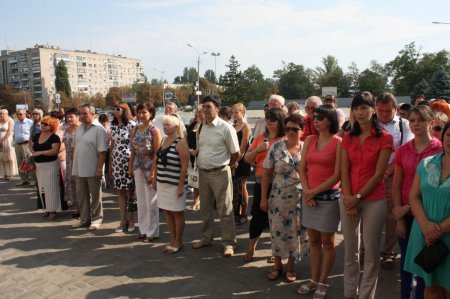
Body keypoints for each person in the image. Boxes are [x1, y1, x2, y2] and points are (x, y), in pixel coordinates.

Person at [340, 92, 393, 299]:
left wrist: (358, 197)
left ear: (373, 110)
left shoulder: (385, 138)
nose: (360, 112)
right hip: (348, 198)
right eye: (356, 108)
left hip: (373, 200)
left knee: (371, 251)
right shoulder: (348, 136)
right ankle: (348, 292)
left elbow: (379, 174)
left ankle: (366, 294)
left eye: (364, 108)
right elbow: (344, 171)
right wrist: (349, 198)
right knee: (350, 250)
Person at [392, 105, 442, 299]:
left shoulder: (439, 150)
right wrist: (399, 218)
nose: (415, 124)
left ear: (431, 123)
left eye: (420, 120)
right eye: (412, 120)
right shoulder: (404, 150)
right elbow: (397, 185)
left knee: (425, 264)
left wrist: (406, 208)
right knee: (406, 263)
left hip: (428, 216)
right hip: (406, 216)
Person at [298, 105, 342, 298]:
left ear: (330, 121)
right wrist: (307, 191)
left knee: (328, 242)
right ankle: (313, 279)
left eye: (320, 118)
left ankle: (323, 281)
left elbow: (337, 174)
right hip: (309, 197)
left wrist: (313, 192)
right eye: (314, 117)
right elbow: (302, 167)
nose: (315, 120)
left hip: (328, 199)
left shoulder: (338, 142)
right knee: (313, 241)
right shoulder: (309, 139)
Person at [404, 121, 450, 298]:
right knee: (431, 287)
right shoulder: (426, 163)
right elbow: (414, 197)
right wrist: (425, 226)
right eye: (448, 135)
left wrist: (437, 231)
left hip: (441, 234)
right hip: (424, 235)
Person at [261, 113, 308, 283]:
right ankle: (277, 265)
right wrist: (263, 199)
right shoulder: (276, 148)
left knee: (295, 232)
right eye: (288, 128)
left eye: (295, 129)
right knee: (277, 232)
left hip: (299, 198)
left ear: (302, 130)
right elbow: (266, 174)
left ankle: (291, 267)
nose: (291, 131)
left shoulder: (307, 147)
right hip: (278, 197)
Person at [191, 96, 240, 257]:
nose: (205, 109)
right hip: (203, 173)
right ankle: (206, 238)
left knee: (225, 210)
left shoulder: (226, 128)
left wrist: (229, 165)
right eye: (203, 106)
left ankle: (228, 243)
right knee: (205, 209)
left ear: (217, 109)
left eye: (208, 107)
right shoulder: (201, 126)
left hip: (220, 173)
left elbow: (236, 153)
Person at [375, 92, 414, 270]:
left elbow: (405, 149)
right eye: (380, 111)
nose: (383, 115)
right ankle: (367, 251)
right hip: (371, 174)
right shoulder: (370, 123)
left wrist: (388, 170)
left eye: (387, 111)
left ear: (396, 109)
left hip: (394, 174)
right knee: (370, 214)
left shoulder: (403, 125)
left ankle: (388, 252)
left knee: (391, 216)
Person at [242, 108, 286, 263]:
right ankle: (251, 248)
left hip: (280, 184)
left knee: (277, 219)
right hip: (261, 181)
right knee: (257, 216)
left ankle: (275, 251)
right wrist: (258, 150)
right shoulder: (260, 137)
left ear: (280, 121)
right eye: (267, 119)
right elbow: (246, 158)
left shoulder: (285, 140)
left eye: (272, 120)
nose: (269, 122)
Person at [155, 114, 189, 254]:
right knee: (168, 212)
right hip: (163, 183)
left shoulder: (181, 142)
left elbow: (184, 166)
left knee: (177, 213)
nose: (165, 127)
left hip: (175, 184)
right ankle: (172, 240)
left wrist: (181, 186)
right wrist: (155, 178)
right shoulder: (163, 140)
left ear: (176, 127)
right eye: (164, 124)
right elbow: (157, 161)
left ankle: (178, 241)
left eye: (168, 125)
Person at [71, 104, 108, 231]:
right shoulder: (80, 128)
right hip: (80, 168)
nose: (81, 116)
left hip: (93, 168)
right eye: (80, 113)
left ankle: (97, 219)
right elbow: (75, 147)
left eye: (85, 114)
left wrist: (99, 169)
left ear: (93, 114)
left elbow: (102, 151)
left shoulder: (99, 129)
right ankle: (84, 219)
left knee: (95, 196)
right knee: (81, 195)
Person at [129, 102, 161, 243]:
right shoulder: (134, 130)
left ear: (151, 114)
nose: (141, 115)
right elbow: (133, 151)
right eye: (139, 112)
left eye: (144, 112)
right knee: (141, 201)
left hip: (150, 169)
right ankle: (143, 229)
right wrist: (130, 166)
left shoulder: (154, 131)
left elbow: (156, 153)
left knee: (151, 202)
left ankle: (152, 232)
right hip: (138, 168)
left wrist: (154, 172)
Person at [109, 102, 136, 233]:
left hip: (128, 159)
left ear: (125, 110)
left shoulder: (131, 124)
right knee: (120, 192)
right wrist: (110, 164)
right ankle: (122, 221)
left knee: (130, 192)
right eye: (114, 108)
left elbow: (134, 144)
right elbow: (112, 143)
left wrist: (132, 163)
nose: (115, 110)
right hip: (116, 160)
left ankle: (131, 220)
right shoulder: (112, 125)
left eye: (118, 108)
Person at [30, 116, 62, 220]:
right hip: (39, 166)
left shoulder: (54, 137)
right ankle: (47, 209)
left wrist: (41, 152)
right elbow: (31, 145)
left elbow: (54, 151)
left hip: (51, 165)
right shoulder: (37, 135)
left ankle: (53, 211)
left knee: (51, 188)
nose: (43, 126)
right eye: (42, 124)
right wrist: (32, 150)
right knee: (42, 188)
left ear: (51, 126)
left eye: (46, 124)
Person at [231, 103, 251, 224]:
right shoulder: (232, 127)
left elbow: (243, 148)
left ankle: (244, 213)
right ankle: (235, 212)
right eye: (232, 112)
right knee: (234, 188)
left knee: (242, 187)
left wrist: (236, 161)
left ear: (242, 112)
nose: (234, 114)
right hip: (233, 160)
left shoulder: (246, 127)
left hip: (242, 160)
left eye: (236, 112)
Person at [62, 108, 80, 217]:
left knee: (80, 185)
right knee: (72, 184)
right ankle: (77, 208)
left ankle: (84, 209)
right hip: (68, 160)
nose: (69, 119)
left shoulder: (81, 129)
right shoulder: (66, 129)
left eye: (71, 116)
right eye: (67, 117)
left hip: (79, 160)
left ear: (77, 117)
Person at [186, 104, 203, 211]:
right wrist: (188, 149)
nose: (199, 113)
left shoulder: (205, 125)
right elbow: (187, 137)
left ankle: (201, 200)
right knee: (194, 178)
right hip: (192, 155)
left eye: (200, 112)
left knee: (202, 179)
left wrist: (197, 151)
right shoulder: (194, 124)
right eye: (198, 111)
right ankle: (196, 200)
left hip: (201, 155)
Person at [14, 108, 34, 186]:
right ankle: (23, 179)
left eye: (21, 114)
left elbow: (32, 134)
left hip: (26, 144)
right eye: (17, 114)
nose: (19, 116)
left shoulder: (30, 122)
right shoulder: (16, 123)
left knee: (28, 162)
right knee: (19, 163)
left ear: (25, 114)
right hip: (18, 144)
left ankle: (32, 179)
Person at [0, 109, 18, 180]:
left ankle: (10, 174)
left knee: (9, 158)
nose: (1, 115)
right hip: (0, 142)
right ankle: (3, 173)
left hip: (8, 141)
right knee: (1, 158)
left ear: (7, 114)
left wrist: (3, 140)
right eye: (1, 114)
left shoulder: (10, 121)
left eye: (3, 114)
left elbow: (10, 132)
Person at [98, 113, 112, 189]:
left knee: (107, 166)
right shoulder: (98, 128)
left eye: (104, 121)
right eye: (101, 121)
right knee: (101, 165)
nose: (103, 123)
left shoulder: (108, 128)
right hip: (101, 149)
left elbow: (110, 139)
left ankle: (108, 181)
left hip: (108, 149)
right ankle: (103, 181)